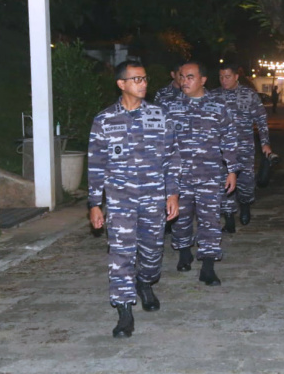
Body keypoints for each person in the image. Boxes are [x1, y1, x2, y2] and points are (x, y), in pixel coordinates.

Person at [87, 60, 181, 338]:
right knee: (121, 254)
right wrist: (94, 203)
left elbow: (172, 157)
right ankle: (124, 310)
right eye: (137, 79)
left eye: (145, 78)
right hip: (120, 200)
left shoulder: (160, 115)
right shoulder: (104, 120)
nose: (143, 84)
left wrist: (172, 193)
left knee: (152, 252)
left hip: (154, 198)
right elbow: (95, 165)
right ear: (121, 84)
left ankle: (145, 282)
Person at [157, 61, 239, 286]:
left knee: (210, 220)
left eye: (190, 77)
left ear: (203, 80)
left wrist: (232, 169)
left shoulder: (219, 106)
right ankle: (184, 252)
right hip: (179, 176)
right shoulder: (168, 106)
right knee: (180, 219)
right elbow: (160, 142)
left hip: (210, 174)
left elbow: (229, 138)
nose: (184, 81)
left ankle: (208, 266)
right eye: (182, 76)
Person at [212, 64, 271, 232]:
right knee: (224, 182)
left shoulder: (249, 94)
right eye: (221, 77)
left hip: (244, 146)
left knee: (246, 181)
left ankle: (245, 205)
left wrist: (265, 142)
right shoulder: (213, 96)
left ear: (236, 76)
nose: (224, 80)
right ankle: (229, 217)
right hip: (221, 149)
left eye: (227, 77)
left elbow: (261, 120)